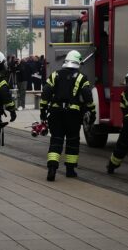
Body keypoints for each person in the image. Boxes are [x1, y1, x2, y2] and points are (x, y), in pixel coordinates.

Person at [40, 50, 95, 181]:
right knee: (72, 140)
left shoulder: (55, 75)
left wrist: (43, 110)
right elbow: (87, 95)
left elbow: (46, 92)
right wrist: (92, 112)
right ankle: (70, 170)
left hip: (56, 113)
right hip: (73, 114)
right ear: (78, 62)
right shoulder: (82, 77)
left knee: (56, 139)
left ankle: (52, 168)